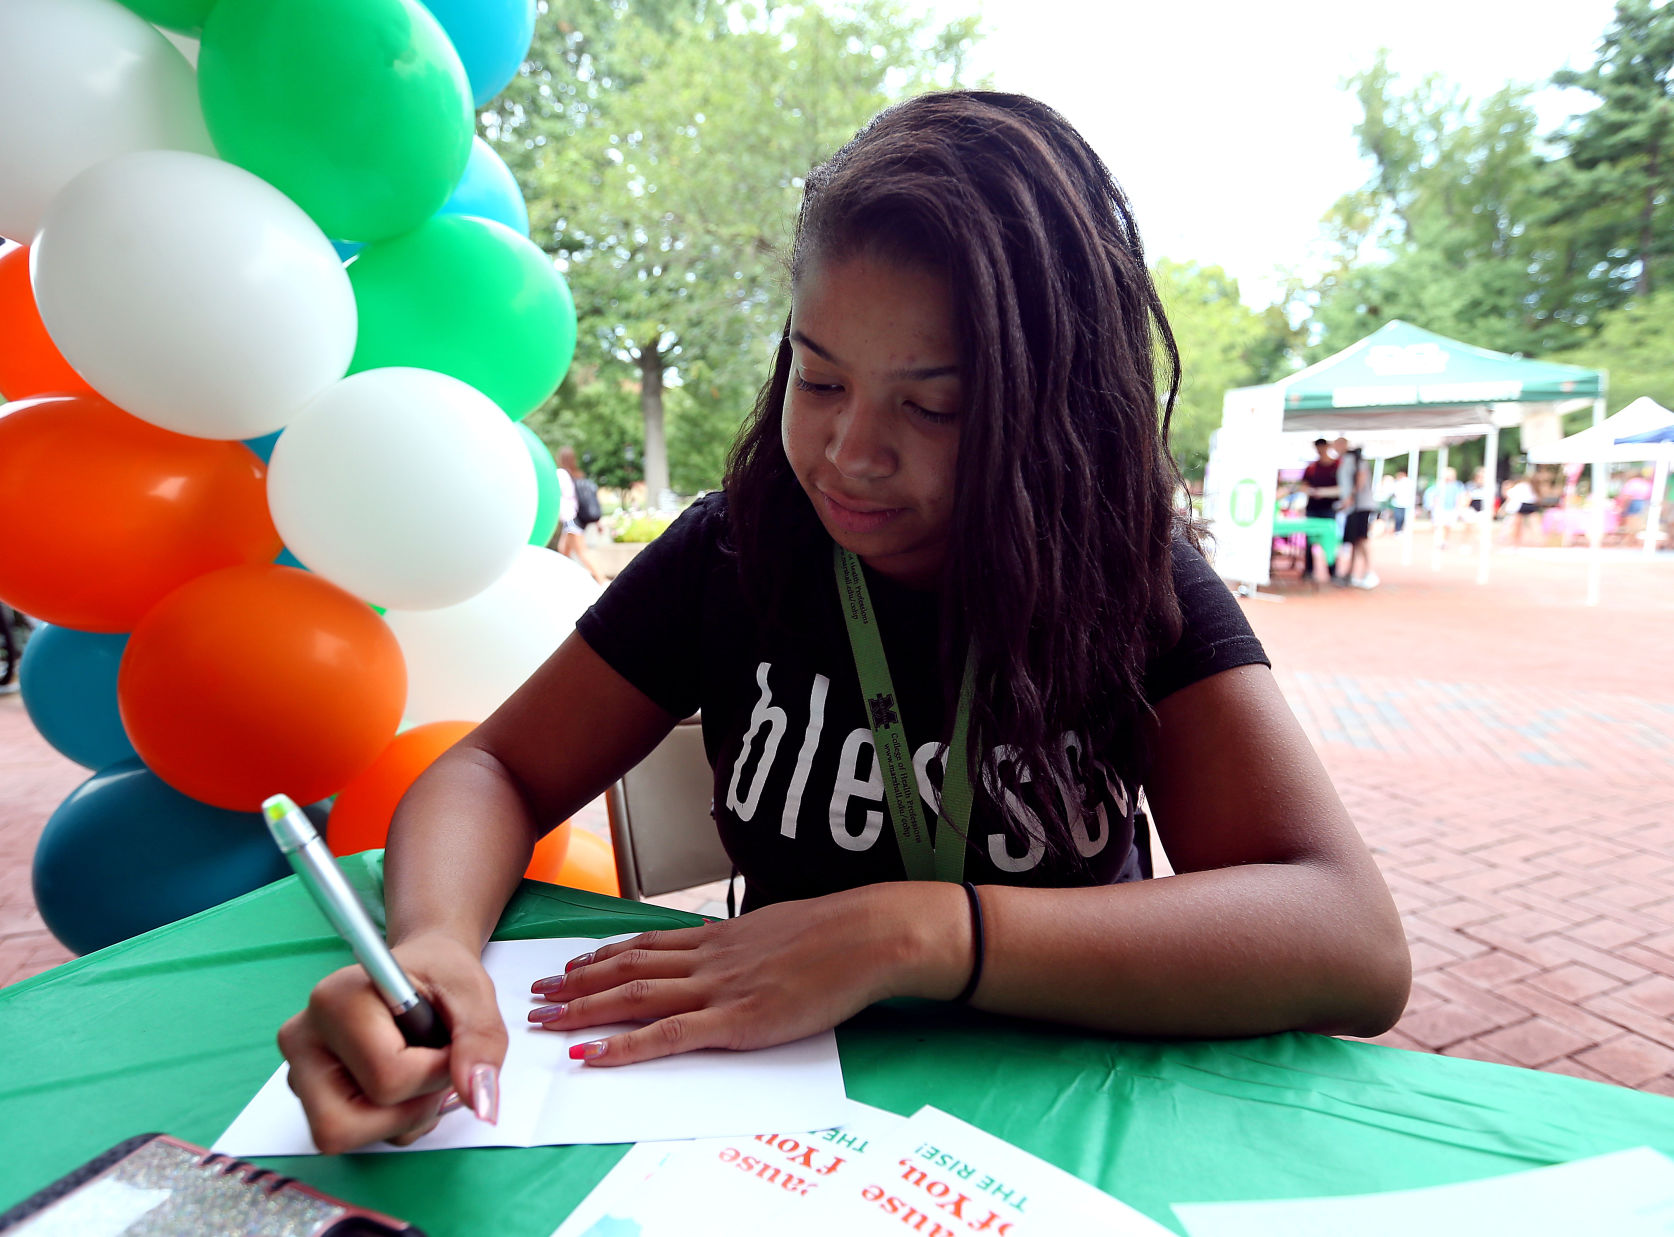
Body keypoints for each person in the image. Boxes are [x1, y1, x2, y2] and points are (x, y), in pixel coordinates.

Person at [277, 91, 1410, 1154]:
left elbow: (1349, 940)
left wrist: (917, 931)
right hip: (776, 1129)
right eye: (819, 381)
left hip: (1077, 1116)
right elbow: (494, 771)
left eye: (933, 405)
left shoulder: (1126, 574)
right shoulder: (739, 549)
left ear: (1056, 406)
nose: (849, 453)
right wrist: (431, 945)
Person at [551, 445, 607, 584]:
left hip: (570, 517)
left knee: (582, 551)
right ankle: (565, 580)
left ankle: (602, 580)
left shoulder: (561, 474)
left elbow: (561, 495)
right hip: (575, 517)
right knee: (564, 550)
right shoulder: (576, 475)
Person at [1333, 446, 1380, 589]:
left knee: (1361, 539)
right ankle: (1351, 573)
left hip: (1360, 506)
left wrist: (1350, 497)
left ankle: (1369, 572)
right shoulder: (1348, 460)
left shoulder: (1357, 461)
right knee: (1355, 540)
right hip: (1354, 507)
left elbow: (1360, 478)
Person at [1300, 438, 1342, 578]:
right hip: (1313, 508)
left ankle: (1332, 571)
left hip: (1329, 508)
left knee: (1330, 540)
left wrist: (1322, 492)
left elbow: (1343, 488)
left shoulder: (1337, 466)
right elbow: (1303, 486)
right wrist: (1311, 492)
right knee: (1309, 540)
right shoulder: (1311, 468)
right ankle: (1309, 570)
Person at [1424, 467, 1464, 550]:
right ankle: (1438, 541)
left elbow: (1459, 497)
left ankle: (1445, 541)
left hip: (1451, 509)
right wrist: (1435, 507)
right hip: (1440, 509)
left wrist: (1458, 508)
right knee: (1439, 525)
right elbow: (1435, 496)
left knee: (1448, 526)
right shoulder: (1439, 485)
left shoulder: (1457, 485)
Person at [1501, 475, 1539, 546]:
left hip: (1522, 505)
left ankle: (1516, 542)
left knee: (1517, 525)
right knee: (1534, 524)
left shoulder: (1518, 487)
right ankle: (1537, 540)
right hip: (1531, 504)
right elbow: (1536, 497)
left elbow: (1509, 496)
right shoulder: (1530, 486)